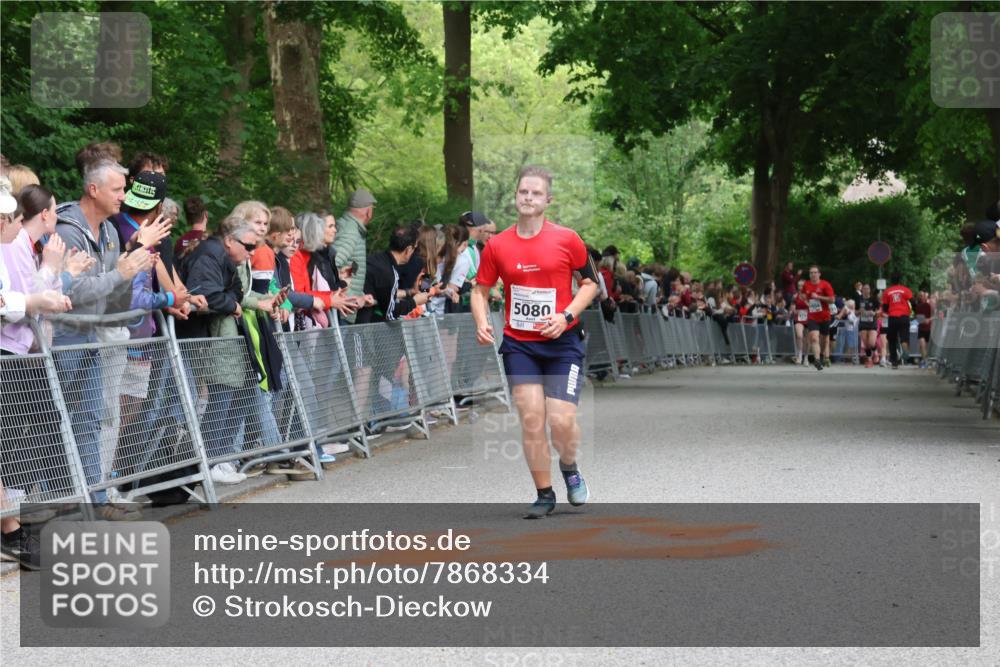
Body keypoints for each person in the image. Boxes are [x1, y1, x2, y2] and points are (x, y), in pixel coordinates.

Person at [471, 165, 600, 519]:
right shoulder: (497, 245)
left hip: (562, 344)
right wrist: (482, 322)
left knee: (560, 421)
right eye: (523, 192)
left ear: (548, 200)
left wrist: (566, 317)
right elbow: (480, 290)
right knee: (531, 418)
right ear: (516, 196)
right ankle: (544, 494)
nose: (528, 198)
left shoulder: (568, 239)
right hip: (519, 344)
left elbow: (591, 283)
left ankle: (570, 468)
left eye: (536, 193)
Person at [54, 158, 154, 519]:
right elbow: (73, 292)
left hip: (93, 337)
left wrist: (131, 272)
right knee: (58, 421)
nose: (124, 196)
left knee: (93, 417)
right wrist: (121, 273)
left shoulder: (111, 232)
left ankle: (95, 501)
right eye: (117, 189)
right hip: (64, 338)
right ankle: (59, 503)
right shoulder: (66, 230)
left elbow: (110, 297)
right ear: (93, 190)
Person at [333, 188, 377, 323]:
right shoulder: (351, 231)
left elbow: (349, 267)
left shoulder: (350, 226)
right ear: (368, 211)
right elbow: (334, 263)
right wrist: (351, 297)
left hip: (345, 306)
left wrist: (360, 296)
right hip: (343, 309)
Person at [802, 265, 835, 371]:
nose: (813, 274)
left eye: (815, 272)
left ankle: (826, 357)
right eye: (811, 272)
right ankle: (817, 360)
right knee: (814, 338)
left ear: (819, 274)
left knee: (825, 340)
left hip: (825, 316)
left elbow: (832, 300)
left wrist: (819, 297)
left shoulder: (825, 284)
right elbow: (803, 295)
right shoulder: (806, 284)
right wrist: (806, 301)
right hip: (812, 317)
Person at [881, 273, 913, 369]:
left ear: (891, 281)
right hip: (904, 316)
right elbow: (913, 301)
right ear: (900, 280)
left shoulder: (887, 292)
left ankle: (894, 362)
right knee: (904, 336)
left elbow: (885, 307)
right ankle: (905, 348)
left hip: (893, 317)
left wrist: (889, 310)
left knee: (892, 339)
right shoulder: (905, 290)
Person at [857, 283, 880, 368]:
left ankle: (876, 352)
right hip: (863, 324)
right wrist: (859, 311)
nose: (866, 290)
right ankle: (869, 360)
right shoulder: (859, 299)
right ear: (862, 290)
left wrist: (874, 313)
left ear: (870, 290)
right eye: (864, 288)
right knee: (866, 344)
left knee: (871, 343)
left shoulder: (874, 299)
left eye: (867, 288)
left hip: (872, 323)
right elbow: (855, 312)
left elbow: (879, 310)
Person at [913, 291, 933, 368]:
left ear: (925, 297)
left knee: (927, 347)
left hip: (929, 328)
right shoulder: (917, 306)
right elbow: (918, 318)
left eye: (923, 295)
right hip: (921, 328)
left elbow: (934, 315)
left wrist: (929, 319)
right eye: (920, 296)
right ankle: (925, 361)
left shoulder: (929, 306)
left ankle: (926, 360)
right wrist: (923, 320)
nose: (921, 297)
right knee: (922, 345)